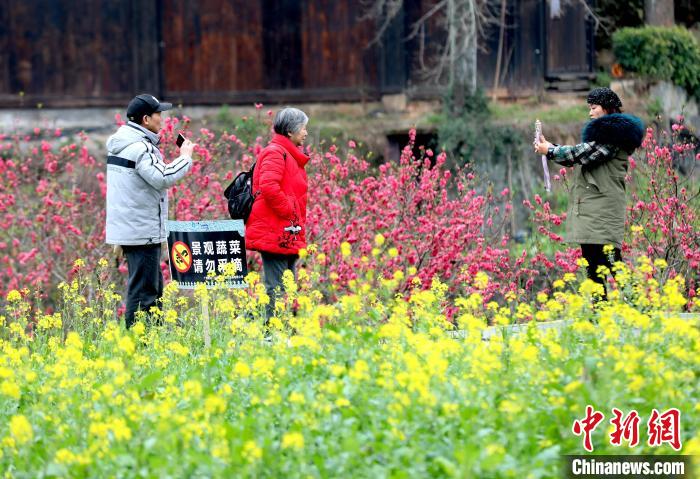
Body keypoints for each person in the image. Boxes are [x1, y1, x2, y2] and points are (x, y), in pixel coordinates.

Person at [534, 87, 644, 298]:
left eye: (594, 108)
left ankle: (640, 308)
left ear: (606, 109)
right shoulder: (606, 138)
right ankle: (600, 312)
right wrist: (550, 148)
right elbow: (578, 155)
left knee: (612, 262)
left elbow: (580, 154)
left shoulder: (613, 137)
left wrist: (551, 150)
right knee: (593, 265)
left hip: (602, 211)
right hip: (595, 211)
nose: (590, 113)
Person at [106, 94, 195, 328]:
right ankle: (140, 343)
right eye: (159, 114)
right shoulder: (141, 148)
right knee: (145, 291)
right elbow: (161, 177)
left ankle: (149, 341)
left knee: (149, 287)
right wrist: (185, 158)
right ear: (146, 119)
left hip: (132, 228)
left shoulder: (121, 144)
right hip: (141, 230)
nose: (162, 119)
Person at [246, 107, 310, 319]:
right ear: (290, 131)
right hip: (275, 229)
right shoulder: (275, 152)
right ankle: (270, 331)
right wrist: (289, 210)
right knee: (276, 286)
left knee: (287, 285)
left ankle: (282, 329)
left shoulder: (289, 155)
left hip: (286, 229)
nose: (306, 133)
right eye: (303, 128)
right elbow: (269, 186)